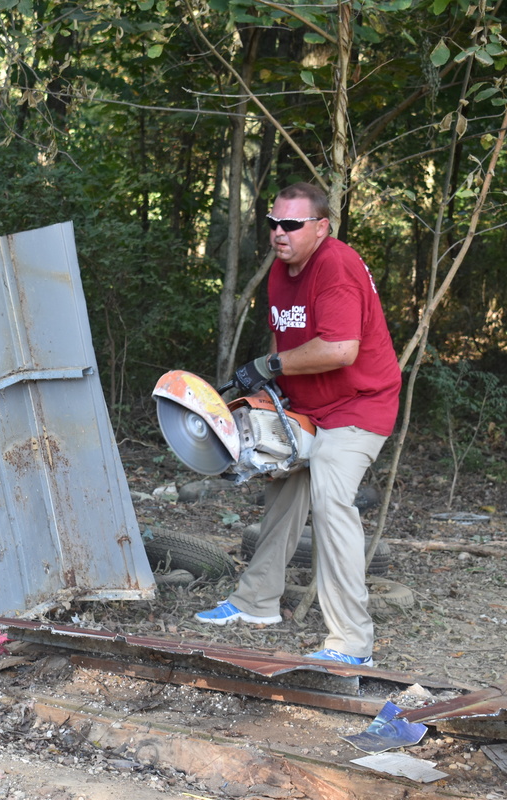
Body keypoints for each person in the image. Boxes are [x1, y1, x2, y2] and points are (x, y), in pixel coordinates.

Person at [194, 181, 401, 667]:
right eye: (274, 223)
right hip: (307, 405)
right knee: (283, 489)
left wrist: (269, 365)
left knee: (330, 496)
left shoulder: (336, 266)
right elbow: (287, 338)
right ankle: (257, 602)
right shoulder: (281, 270)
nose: (279, 232)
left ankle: (351, 644)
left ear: (321, 227)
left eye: (291, 224)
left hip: (360, 405)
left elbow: (340, 349)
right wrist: (271, 391)